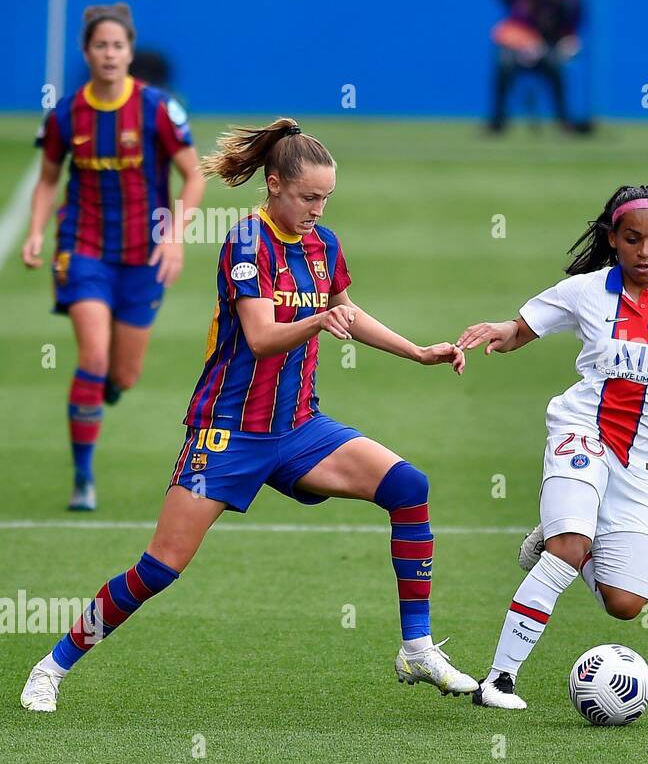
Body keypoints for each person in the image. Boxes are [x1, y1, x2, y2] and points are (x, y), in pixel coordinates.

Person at [20, 118, 476, 713]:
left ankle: (416, 646)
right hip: (228, 432)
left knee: (408, 486)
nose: (318, 208)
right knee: (160, 567)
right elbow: (261, 337)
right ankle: (51, 667)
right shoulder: (245, 241)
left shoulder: (324, 244)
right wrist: (316, 321)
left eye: (326, 198)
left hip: (299, 428)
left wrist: (417, 351)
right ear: (274, 184)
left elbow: (345, 309)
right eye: (308, 197)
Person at [455, 184, 648, 709]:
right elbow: (524, 328)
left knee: (626, 603)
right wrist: (499, 331)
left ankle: (557, 533)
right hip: (581, 431)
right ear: (613, 238)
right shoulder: (587, 291)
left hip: (644, 460)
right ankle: (498, 681)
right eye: (632, 239)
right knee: (569, 549)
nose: (644, 252)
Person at [22, 2, 206, 511]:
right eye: (100, 45)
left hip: (143, 257)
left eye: (117, 46)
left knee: (122, 375)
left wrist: (174, 236)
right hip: (82, 249)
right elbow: (48, 178)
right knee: (94, 356)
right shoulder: (66, 113)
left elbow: (195, 176)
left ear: (129, 53)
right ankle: (83, 480)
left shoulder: (157, 109)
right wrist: (37, 231)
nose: (109, 53)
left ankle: (101, 390)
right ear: (87, 53)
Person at [487, 0, 583, 133]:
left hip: (548, 49)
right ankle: (497, 122)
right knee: (504, 62)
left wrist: (566, 43)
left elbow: (571, 30)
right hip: (519, 48)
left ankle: (564, 121)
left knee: (556, 67)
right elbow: (505, 0)